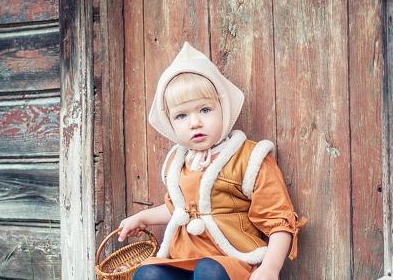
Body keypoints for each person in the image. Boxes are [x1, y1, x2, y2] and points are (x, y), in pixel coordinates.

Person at [117, 42, 307, 279]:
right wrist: (142, 217)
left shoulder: (249, 159)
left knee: (209, 271)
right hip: (184, 260)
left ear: (223, 108)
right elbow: (179, 208)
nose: (194, 123)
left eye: (205, 110)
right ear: (170, 123)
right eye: (181, 115)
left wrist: (270, 268)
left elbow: (278, 220)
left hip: (231, 263)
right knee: (148, 274)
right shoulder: (179, 163)